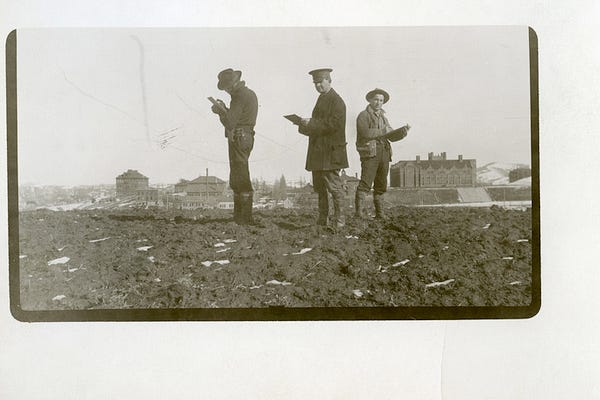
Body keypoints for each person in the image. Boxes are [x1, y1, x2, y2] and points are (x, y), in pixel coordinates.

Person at [298, 68, 348, 228]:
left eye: (320, 82)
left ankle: (340, 220)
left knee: (334, 187)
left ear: (329, 80)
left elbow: (333, 125)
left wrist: (311, 123)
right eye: (315, 83)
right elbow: (318, 126)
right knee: (320, 187)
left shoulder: (337, 101)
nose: (318, 85)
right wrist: (302, 125)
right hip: (319, 152)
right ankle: (322, 219)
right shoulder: (322, 99)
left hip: (330, 153)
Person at [210, 68, 258, 225]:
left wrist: (220, 112)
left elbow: (230, 122)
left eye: (226, 88)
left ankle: (244, 218)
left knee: (240, 176)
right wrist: (225, 110)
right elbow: (237, 117)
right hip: (244, 137)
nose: (227, 91)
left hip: (239, 138)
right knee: (238, 175)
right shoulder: (247, 94)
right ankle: (241, 218)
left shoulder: (239, 96)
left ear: (231, 85)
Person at [354, 88, 409, 219]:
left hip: (384, 152)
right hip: (370, 153)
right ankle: (359, 213)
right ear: (370, 100)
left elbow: (390, 136)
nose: (378, 102)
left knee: (381, 184)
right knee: (366, 182)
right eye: (376, 100)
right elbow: (365, 133)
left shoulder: (384, 118)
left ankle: (380, 213)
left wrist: (402, 133)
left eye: (381, 100)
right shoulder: (363, 115)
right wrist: (384, 131)